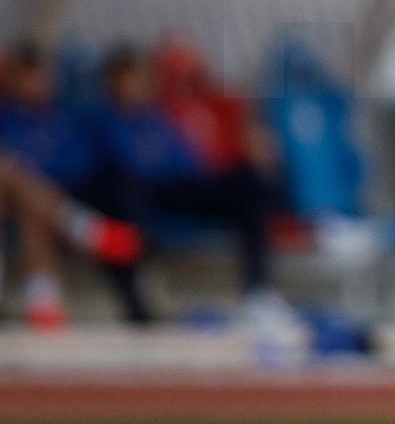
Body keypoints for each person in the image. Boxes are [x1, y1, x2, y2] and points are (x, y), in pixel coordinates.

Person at [99, 47, 278, 311]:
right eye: (126, 79)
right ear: (112, 83)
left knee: (247, 182)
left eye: (137, 78)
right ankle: (137, 298)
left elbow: (186, 161)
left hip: (177, 187)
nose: (133, 86)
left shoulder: (155, 119)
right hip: (141, 193)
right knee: (124, 189)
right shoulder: (103, 121)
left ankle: (257, 294)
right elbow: (122, 165)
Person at [0, 42, 146, 325]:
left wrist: (35, 179)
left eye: (39, 76)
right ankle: (83, 230)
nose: (34, 84)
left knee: (30, 202)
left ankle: (43, 300)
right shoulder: (6, 120)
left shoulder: (61, 119)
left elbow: (80, 165)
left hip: (52, 195)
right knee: (10, 178)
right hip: (22, 200)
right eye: (26, 77)